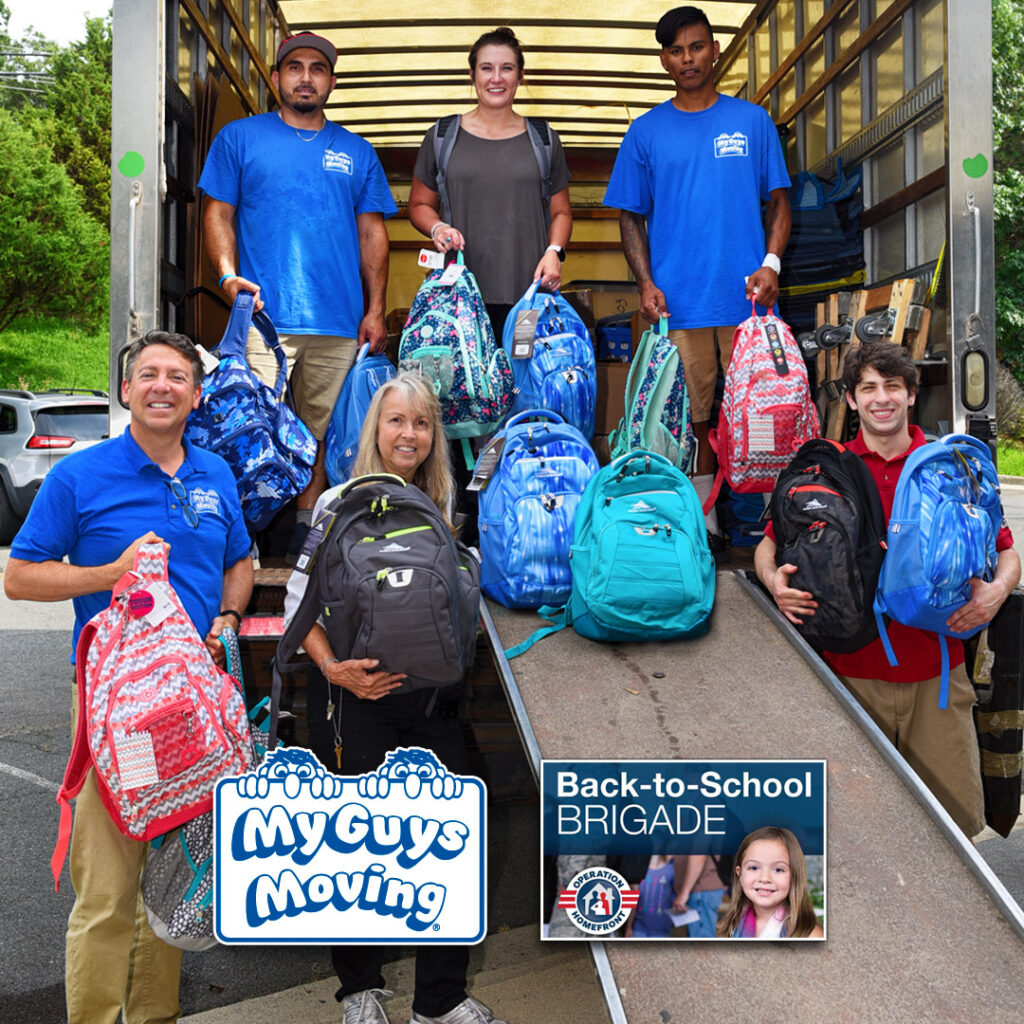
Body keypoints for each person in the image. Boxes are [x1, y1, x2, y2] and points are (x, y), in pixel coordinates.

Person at [4, 330, 253, 1024]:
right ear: (126, 391)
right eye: (148, 374)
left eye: (177, 375)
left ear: (196, 395)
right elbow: (20, 577)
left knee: (171, 882)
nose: (163, 386)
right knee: (109, 888)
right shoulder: (80, 476)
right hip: (116, 709)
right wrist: (109, 574)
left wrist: (228, 621)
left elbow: (239, 559)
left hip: (195, 705)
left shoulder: (216, 474)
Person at [283, 372, 503, 1024]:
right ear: (374, 430)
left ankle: (439, 999)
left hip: (430, 706)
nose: (409, 433)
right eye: (396, 420)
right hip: (354, 700)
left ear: (435, 435)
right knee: (355, 846)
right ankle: (358, 989)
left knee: (460, 836)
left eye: (421, 423)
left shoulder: (444, 502)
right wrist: (335, 669)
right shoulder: (337, 504)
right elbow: (300, 601)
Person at [755, 342, 1021, 837]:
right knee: (856, 833)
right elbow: (768, 547)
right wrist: (775, 583)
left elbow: (1007, 552)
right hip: (848, 678)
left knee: (953, 831)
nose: (882, 399)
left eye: (892, 387)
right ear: (851, 401)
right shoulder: (824, 471)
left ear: (911, 395)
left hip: (936, 679)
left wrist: (997, 591)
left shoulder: (949, 467)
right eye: (868, 388)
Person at [199, 30, 398, 555]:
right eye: (294, 68)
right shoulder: (240, 139)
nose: (305, 77)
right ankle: (242, 545)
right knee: (249, 431)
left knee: (318, 439)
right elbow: (218, 213)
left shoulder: (356, 151)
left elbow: (373, 233)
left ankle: (303, 544)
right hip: (264, 320)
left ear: (331, 81)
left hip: (337, 323)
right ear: (276, 78)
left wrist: (376, 309)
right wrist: (226, 274)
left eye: (316, 69)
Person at [603, 5, 792, 547]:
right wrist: (644, 282)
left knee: (764, 413)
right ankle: (702, 524)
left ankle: (766, 525)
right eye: (676, 51)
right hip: (678, 307)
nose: (688, 59)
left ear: (714, 50)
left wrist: (771, 264)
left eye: (697, 47)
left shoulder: (751, 121)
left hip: (750, 305)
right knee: (691, 421)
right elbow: (629, 216)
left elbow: (779, 202)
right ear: (664, 59)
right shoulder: (645, 132)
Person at [408, 26, 572, 340]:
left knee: (523, 378)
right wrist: (438, 228)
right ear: (472, 75)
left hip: (529, 298)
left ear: (520, 76)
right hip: (458, 298)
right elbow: (418, 205)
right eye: (487, 68)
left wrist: (554, 252)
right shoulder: (442, 136)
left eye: (506, 68)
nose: (496, 78)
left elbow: (561, 212)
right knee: (466, 382)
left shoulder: (544, 138)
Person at [717, 827, 823, 938]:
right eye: (753, 868)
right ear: (740, 874)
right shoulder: (731, 928)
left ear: (794, 875)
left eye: (778, 869)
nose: (764, 878)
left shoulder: (810, 936)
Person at [672, 854, 728, 938]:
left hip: (701, 890)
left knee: (701, 945)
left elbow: (699, 855)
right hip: (700, 890)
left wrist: (684, 893)